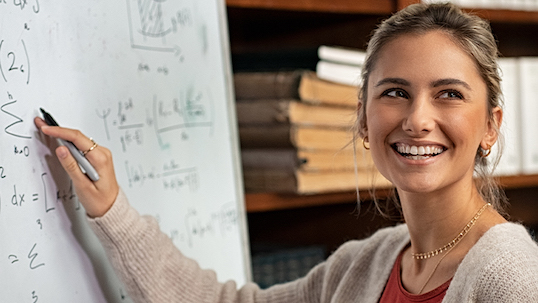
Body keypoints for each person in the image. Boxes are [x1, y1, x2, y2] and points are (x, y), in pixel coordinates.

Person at [35, 3, 538, 302]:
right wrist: (112, 209)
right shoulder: (366, 265)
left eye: (448, 94)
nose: (417, 119)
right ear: (364, 119)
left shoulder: (511, 277)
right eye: (394, 92)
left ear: (490, 126)